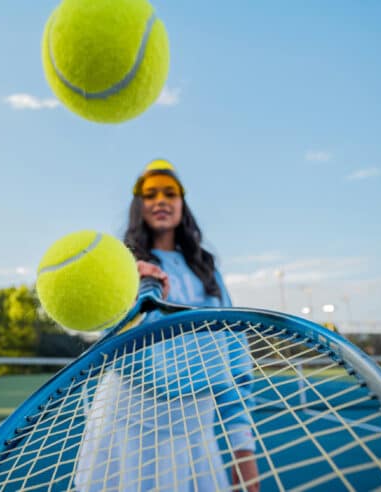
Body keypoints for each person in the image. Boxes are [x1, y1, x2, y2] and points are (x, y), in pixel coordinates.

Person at [75, 160, 259, 492]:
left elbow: (235, 357)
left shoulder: (208, 272)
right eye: (150, 194)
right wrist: (131, 292)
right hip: (126, 422)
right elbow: (107, 339)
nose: (161, 200)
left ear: (182, 204)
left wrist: (242, 446)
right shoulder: (122, 266)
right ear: (138, 205)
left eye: (170, 193)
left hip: (193, 426)